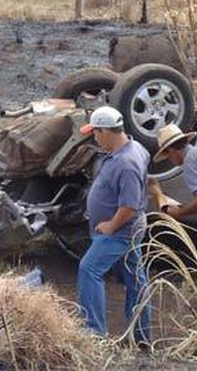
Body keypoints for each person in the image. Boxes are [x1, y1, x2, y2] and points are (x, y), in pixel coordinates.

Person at [77, 106, 151, 343]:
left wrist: (110, 225)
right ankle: (141, 336)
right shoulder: (135, 147)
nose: (95, 138)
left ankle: (94, 333)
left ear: (106, 131)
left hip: (121, 230)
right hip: (130, 228)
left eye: (96, 133)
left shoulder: (127, 163)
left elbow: (129, 206)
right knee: (135, 278)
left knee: (89, 269)